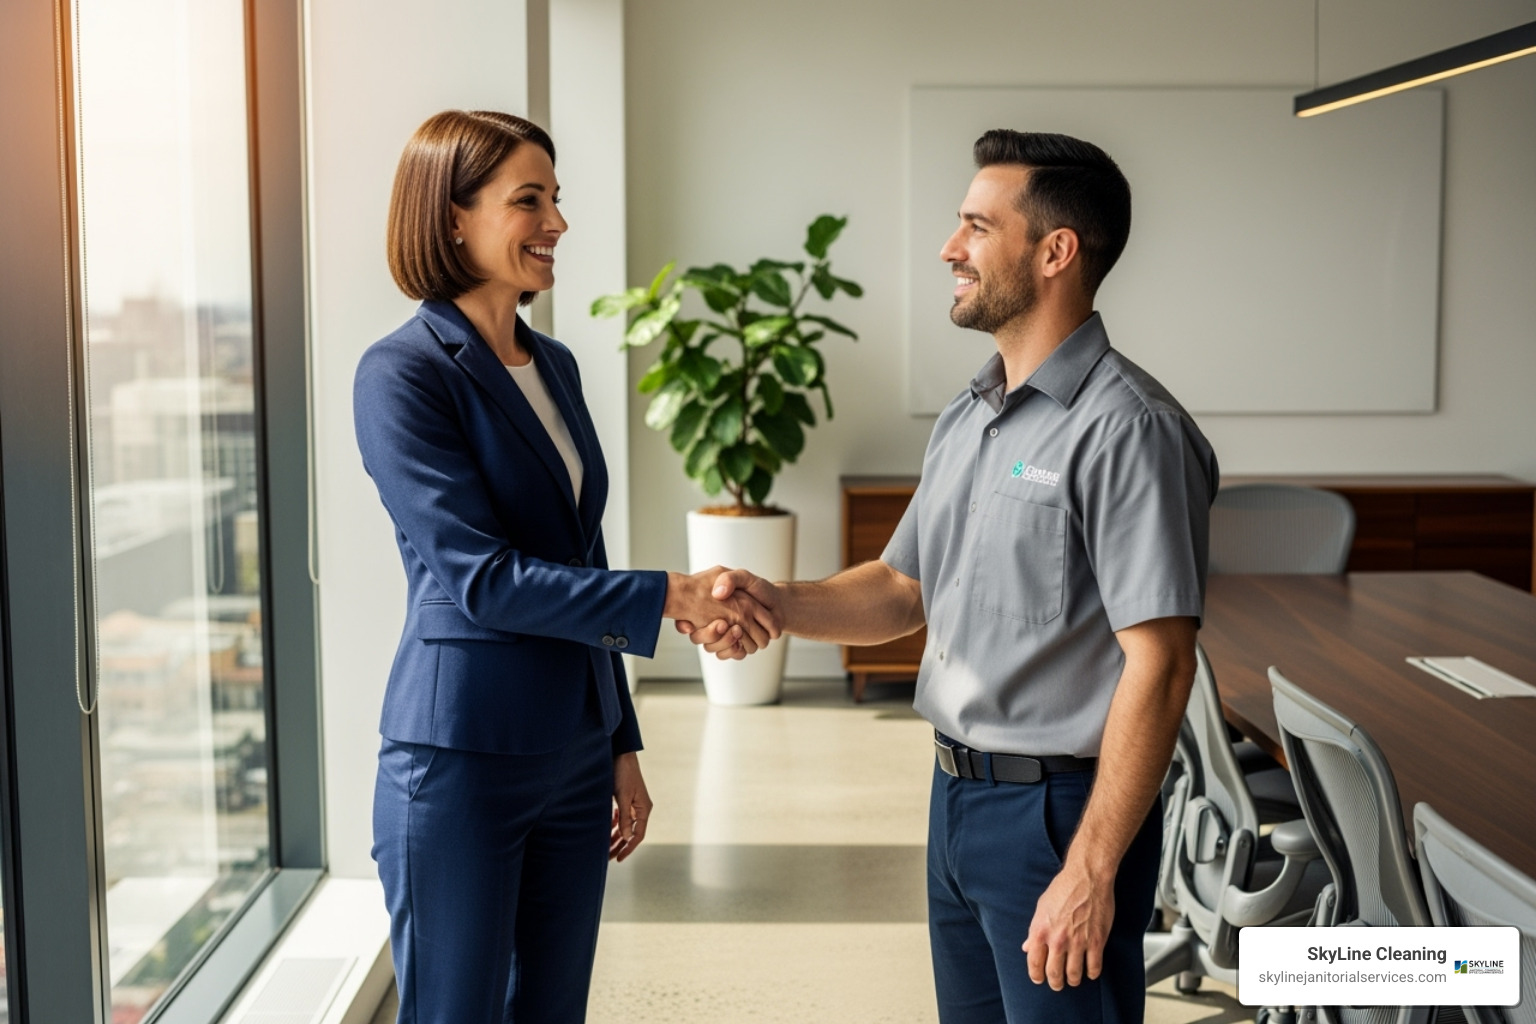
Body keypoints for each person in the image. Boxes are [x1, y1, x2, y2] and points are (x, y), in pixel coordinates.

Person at [685, 130, 1219, 1024]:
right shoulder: (970, 419)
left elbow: (1160, 666)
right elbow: (903, 589)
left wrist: (1089, 868)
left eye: (976, 226)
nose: (949, 248)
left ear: (1055, 252)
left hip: (1059, 818)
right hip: (954, 804)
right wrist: (777, 602)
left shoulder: (1130, 431)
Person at [355, 110, 778, 1024]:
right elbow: (482, 579)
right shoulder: (402, 375)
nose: (556, 222)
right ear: (453, 217)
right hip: (462, 758)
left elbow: (581, 556)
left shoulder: (556, 365)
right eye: (529, 200)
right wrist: (671, 594)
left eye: (557, 198)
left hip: (575, 758)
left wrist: (618, 740)